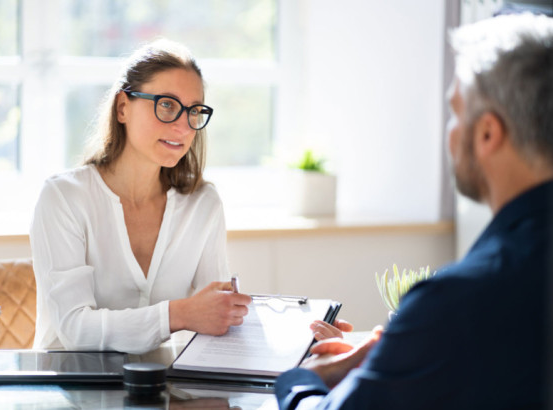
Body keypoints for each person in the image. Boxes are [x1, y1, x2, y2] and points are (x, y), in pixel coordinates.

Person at [276, 13, 553, 410]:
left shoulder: (458, 301)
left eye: (456, 112)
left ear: (488, 133)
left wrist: (304, 378)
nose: (450, 131)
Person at [30, 39, 251, 354]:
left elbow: (217, 316)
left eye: (194, 111)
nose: (183, 127)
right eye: (166, 105)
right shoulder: (63, 198)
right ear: (123, 107)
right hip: (70, 392)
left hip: (163, 392)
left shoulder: (204, 203)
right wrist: (180, 314)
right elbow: (75, 329)